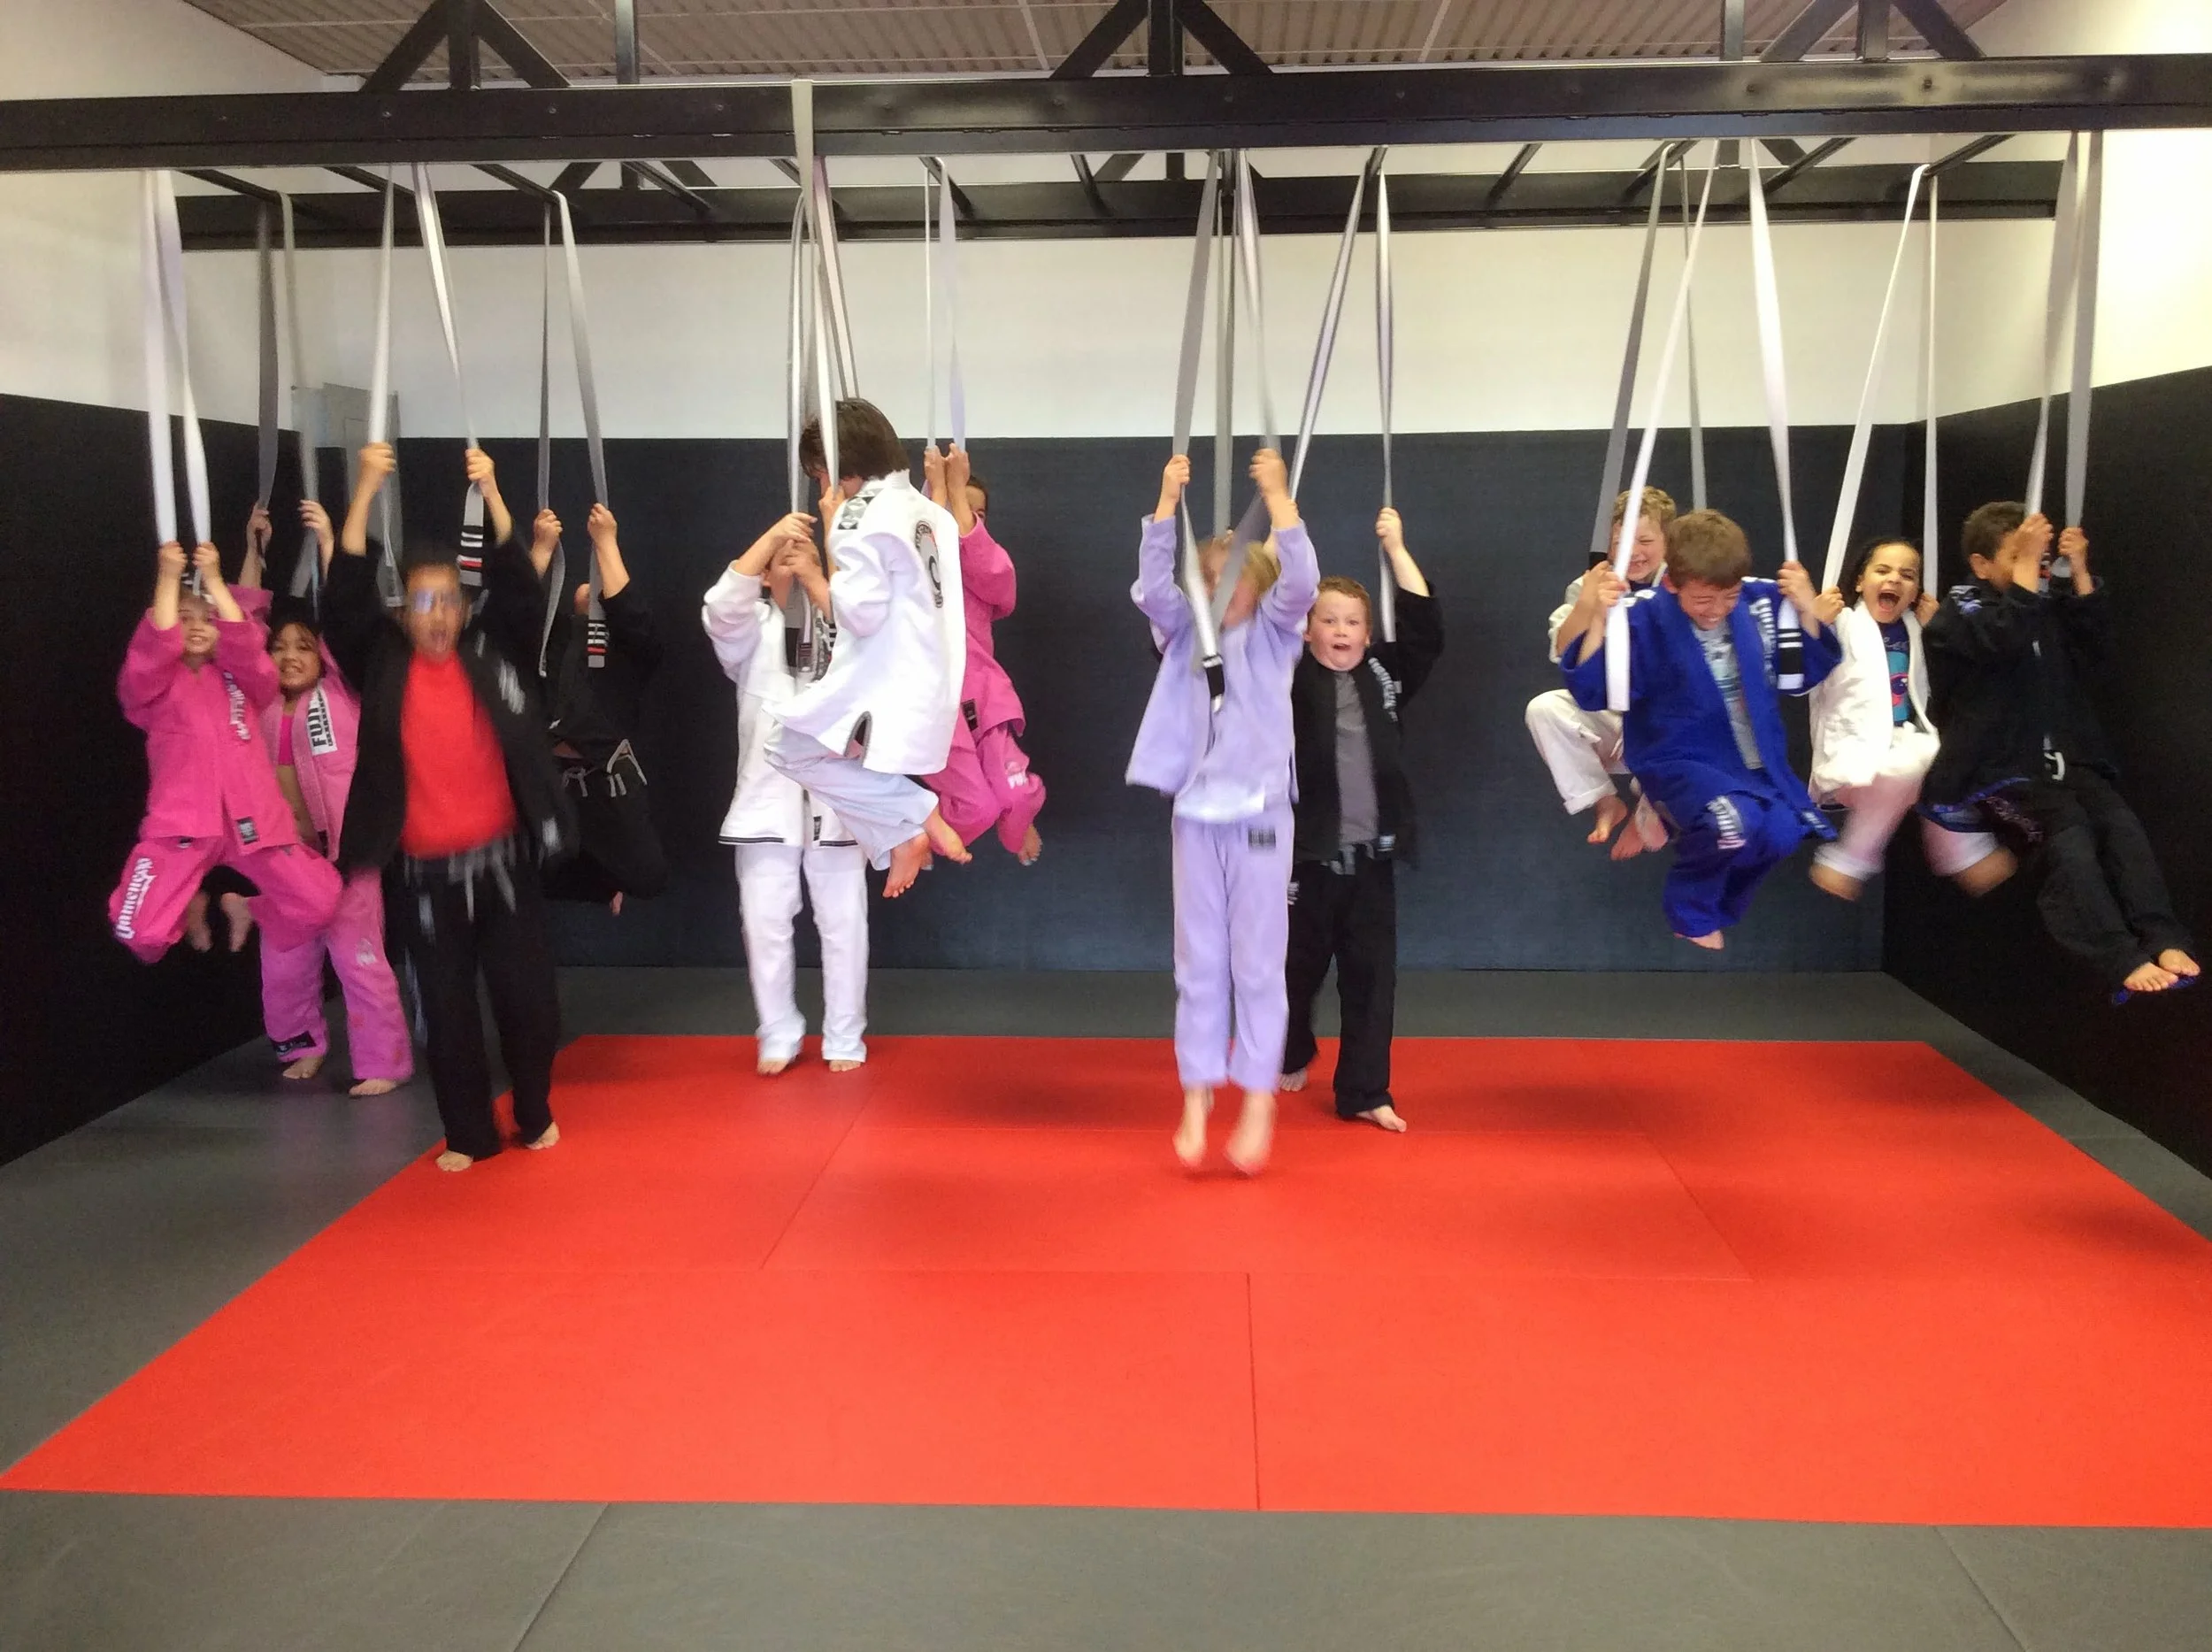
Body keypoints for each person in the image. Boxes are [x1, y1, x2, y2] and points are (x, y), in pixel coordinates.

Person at [322, 442, 577, 1171]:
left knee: (530, 1009)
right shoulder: (382, 663)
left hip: (503, 869)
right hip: (426, 882)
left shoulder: (494, 652)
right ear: (404, 612)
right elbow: (343, 597)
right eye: (422, 602)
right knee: (450, 1020)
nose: (437, 616)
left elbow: (522, 592)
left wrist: (494, 492)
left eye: (449, 601)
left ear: (465, 608)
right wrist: (366, 488)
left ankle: (533, 1109)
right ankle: (468, 1132)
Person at [1922, 504, 2199, 999]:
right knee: (2067, 839)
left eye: (2039, 558)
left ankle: (2162, 936)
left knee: (2121, 828)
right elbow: (2001, 640)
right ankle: (2119, 956)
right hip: (1993, 776)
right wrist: (2032, 572)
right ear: (1983, 565)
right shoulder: (1959, 610)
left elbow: (2095, 647)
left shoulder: (2041, 605)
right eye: (2019, 557)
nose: (2036, 567)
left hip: (2059, 764)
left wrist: (2080, 569)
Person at [1128, 449, 1317, 1175]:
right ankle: (1197, 1091)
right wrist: (1163, 504)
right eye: (1208, 578)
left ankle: (1259, 1095)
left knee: (1258, 964)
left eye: (1232, 577)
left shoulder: (1274, 637)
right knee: (1197, 963)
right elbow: (1152, 587)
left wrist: (1277, 501)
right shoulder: (1181, 636)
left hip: (1263, 813)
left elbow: (1300, 580)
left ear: (1256, 586)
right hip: (1196, 816)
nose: (1218, 588)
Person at [1559, 509, 1839, 949]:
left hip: (1754, 757)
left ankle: (1718, 909)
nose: (1717, 611)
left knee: (1784, 833)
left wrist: (1806, 608)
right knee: (1732, 826)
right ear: (1671, 582)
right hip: (1680, 755)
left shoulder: (1761, 601)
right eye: (1703, 600)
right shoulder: (1642, 615)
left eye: (1728, 597)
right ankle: (1688, 909)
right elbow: (1595, 691)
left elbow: (1799, 675)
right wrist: (1596, 616)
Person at [234, 501, 413, 1096]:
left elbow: (346, 616)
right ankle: (301, 1043)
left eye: (303, 647)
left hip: (345, 856)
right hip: (285, 861)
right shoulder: (256, 699)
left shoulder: (342, 692)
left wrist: (333, 542)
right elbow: (241, 624)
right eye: (281, 647)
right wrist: (254, 554)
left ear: (321, 656)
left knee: (359, 959)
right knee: (283, 965)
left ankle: (383, 1059)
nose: (289, 655)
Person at [1279, 510, 1442, 1133]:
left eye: (1351, 622)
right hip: (1307, 858)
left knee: (1373, 979)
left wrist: (1397, 548)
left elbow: (1427, 629)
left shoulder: (1384, 674)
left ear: (1369, 633)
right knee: (1295, 970)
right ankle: (1292, 1048)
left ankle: (1365, 1089)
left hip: (1372, 859)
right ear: (1306, 629)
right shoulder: (1288, 675)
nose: (1340, 631)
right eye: (1328, 620)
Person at [766, 399, 972, 897]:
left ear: (842, 469)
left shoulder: (861, 514)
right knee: (817, 756)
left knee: (786, 748)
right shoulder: (931, 513)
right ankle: (904, 835)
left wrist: (832, 548)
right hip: (932, 678)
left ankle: (916, 818)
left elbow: (858, 614)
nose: (824, 488)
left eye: (822, 474)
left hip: (883, 682)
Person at [109, 535, 341, 971]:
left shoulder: (240, 681)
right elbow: (148, 655)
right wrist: (167, 579)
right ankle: (183, 906)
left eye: (207, 618)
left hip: (252, 822)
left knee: (320, 904)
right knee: (138, 932)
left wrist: (215, 583)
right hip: (182, 827)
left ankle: (245, 908)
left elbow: (248, 647)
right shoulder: (152, 689)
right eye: (183, 617)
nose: (197, 625)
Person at [703, 509, 871, 1075]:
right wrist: (771, 536)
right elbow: (720, 608)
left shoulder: (845, 629)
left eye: (806, 560)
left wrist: (821, 583)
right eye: (782, 563)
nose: (793, 567)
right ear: (766, 577)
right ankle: (777, 1030)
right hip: (766, 805)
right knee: (765, 923)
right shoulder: (751, 633)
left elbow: (872, 646)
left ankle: (845, 1035)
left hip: (837, 802)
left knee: (843, 925)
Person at [1806, 535, 2013, 903]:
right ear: (1859, 581)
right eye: (1882, 570)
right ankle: (1852, 857)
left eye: (1907, 575)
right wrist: (1814, 627)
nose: (1894, 580)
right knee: (1911, 765)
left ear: (1916, 588)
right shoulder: (1842, 625)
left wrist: (1942, 631)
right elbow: (1800, 678)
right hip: (1852, 751)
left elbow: (1957, 683)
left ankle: (1957, 850)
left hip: (1901, 743)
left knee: (1941, 762)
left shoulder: (1917, 629)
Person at [526, 501, 670, 914]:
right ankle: (594, 879)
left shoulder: (630, 652)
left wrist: (606, 543)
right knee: (525, 874)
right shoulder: (552, 641)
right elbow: (512, 615)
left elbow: (633, 618)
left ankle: (603, 876)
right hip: (551, 776)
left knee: (648, 876)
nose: (592, 588)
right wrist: (540, 550)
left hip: (605, 778)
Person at [1525, 487, 1675, 859]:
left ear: (1668, 542)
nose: (1633, 551)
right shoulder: (1590, 584)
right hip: (1612, 716)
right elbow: (1562, 652)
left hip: (1665, 721)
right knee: (1544, 709)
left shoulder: (1682, 584)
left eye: (1645, 540)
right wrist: (1591, 603)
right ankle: (1603, 799)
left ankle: (1651, 807)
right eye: (1620, 541)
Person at [920, 444, 1046, 864]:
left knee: (1019, 792)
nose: (968, 521)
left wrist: (957, 496)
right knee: (976, 807)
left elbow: (996, 578)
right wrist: (938, 495)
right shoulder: (913, 574)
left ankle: (1016, 825)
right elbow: (922, 555)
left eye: (978, 514)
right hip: (936, 706)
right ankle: (914, 836)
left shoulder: (982, 573)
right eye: (960, 508)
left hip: (984, 699)